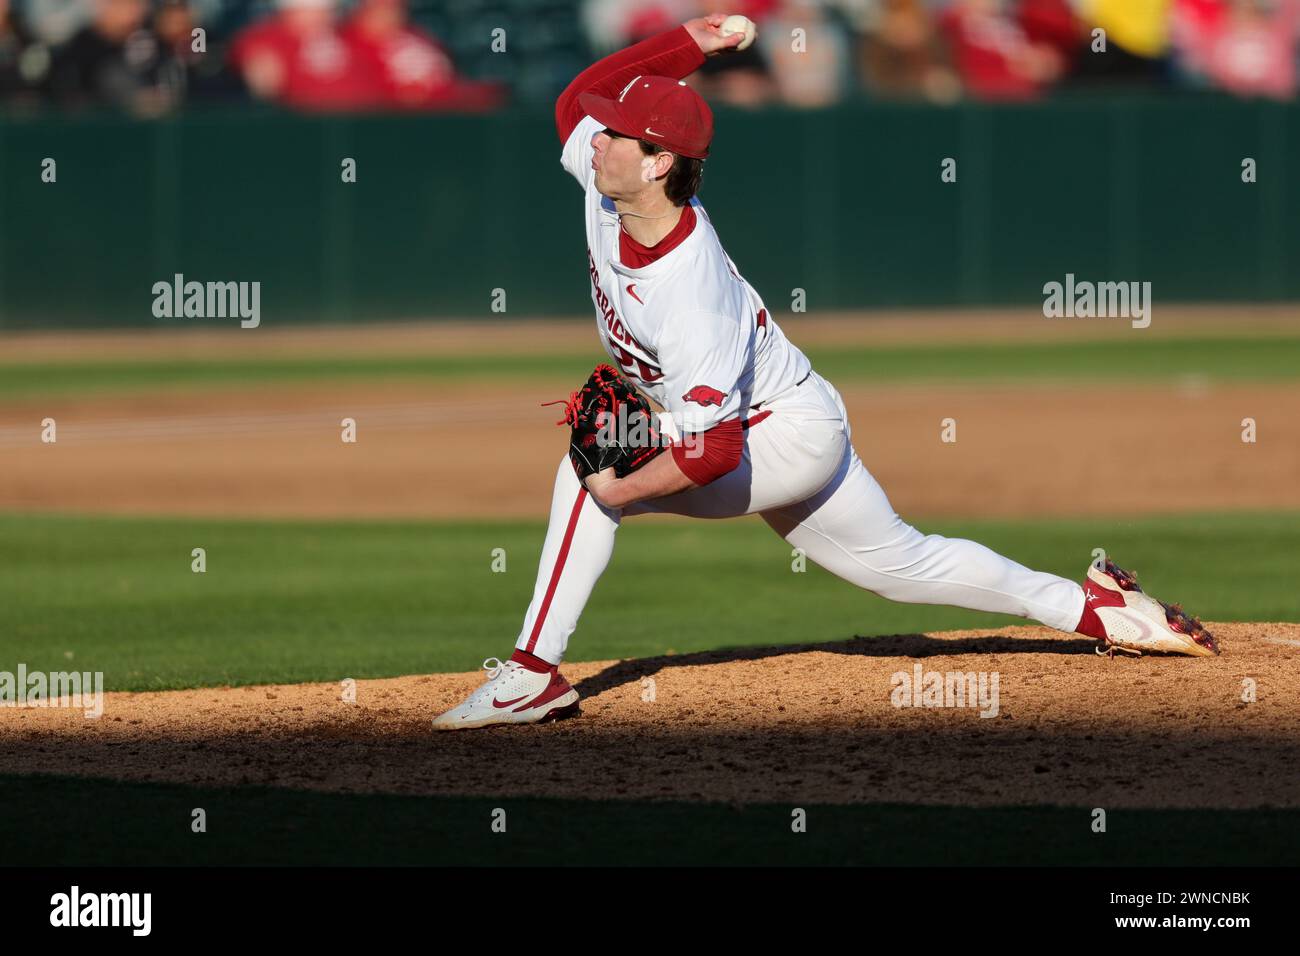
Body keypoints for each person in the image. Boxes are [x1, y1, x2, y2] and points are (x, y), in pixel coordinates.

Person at [432, 14, 1219, 732]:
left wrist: (621, 490)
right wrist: (688, 46)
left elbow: (713, 455)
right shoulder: (609, 183)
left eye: (617, 137)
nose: (594, 140)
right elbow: (580, 95)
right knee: (906, 565)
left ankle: (532, 674)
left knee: (586, 477)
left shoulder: (690, 292)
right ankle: (1103, 611)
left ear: (660, 161)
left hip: (776, 435)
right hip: (790, 412)